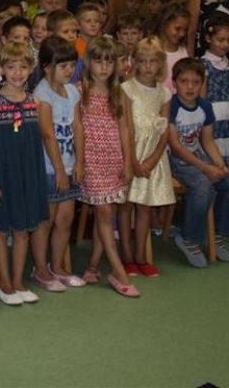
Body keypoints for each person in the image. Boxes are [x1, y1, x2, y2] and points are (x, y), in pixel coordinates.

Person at [0, 42, 47, 305]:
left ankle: (19, 281)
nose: (17, 73)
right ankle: (5, 284)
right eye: (11, 67)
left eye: (23, 67)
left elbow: (39, 142)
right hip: (2, 174)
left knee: (22, 230)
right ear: (0, 69)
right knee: (0, 230)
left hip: (28, 173)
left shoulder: (36, 103)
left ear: (31, 69)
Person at [77, 38, 138, 297]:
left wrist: (128, 162)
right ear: (88, 62)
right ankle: (118, 271)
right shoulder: (81, 91)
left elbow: (125, 130)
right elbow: (77, 128)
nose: (103, 67)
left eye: (109, 61)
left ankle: (93, 266)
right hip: (91, 162)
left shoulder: (119, 94)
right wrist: (80, 162)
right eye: (98, 60)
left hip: (114, 161)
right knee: (104, 213)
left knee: (107, 212)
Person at [167, 58, 229, 268]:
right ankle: (188, 237)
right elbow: (176, 146)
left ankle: (216, 235)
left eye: (195, 82)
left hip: (198, 155)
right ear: (175, 83)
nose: (190, 87)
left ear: (202, 84)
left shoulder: (205, 107)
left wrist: (219, 165)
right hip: (175, 159)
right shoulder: (171, 106)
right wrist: (206, 168)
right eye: (184, 81)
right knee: (202, 185)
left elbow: (207, 141)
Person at [29, 36, 84, 293]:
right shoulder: (42, 94)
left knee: (66, 219)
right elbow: (48, 134)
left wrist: (80, 162)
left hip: (70, 165)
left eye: (72, 65)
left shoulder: (73, 91)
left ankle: (59, 266)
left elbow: (77, 127)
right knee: (46, 221)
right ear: (47, 67)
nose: (69, 70)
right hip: (50, 169)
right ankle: (40, 269)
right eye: (63, 66)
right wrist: (60, 170)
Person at [119, 38, 173, 277]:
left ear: (160, 64)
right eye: (142, 61)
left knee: (144, 207)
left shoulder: (164, 93)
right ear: (135, 62)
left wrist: (152, 160)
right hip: (129, 155)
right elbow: (125, 127)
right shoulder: (126, 89)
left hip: (152, 158)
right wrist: (132, 161)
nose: (148, 66)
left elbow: (165, 130)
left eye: (153, 61)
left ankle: (141, 256)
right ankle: (127, 256)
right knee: (126, 206)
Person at [200, 15, 229, 172]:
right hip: (214, 120)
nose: (225, 44)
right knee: (217, 160)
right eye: (220, 40)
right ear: (208, 38)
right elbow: (201, 97)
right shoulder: (203, 64)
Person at [156, 3, 191, 95]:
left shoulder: (184, 52)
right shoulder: (152, 50)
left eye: (185, 30)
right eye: (177, 28)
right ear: (165, 23)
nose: (182, 34)